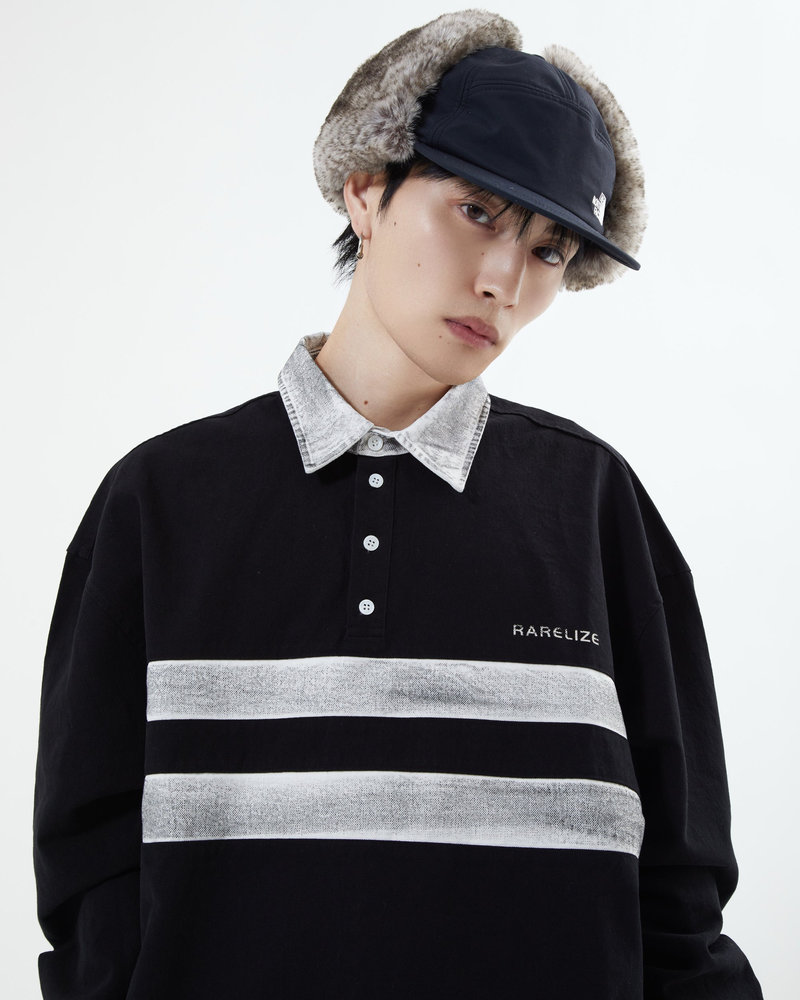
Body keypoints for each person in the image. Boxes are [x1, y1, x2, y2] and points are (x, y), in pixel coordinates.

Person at [33, 10, 763, 998]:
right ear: (366, 190)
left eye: (550, 249)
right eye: (478, 210)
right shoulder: (159, 501)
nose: (504, 280)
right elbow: (90, 884)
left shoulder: (595, 507)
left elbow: (680, 895)